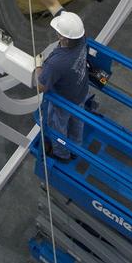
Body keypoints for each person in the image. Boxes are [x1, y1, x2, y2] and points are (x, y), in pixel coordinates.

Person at [34, 10, 99, 162]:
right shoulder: (81, 38)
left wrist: (38, 66)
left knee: (57, 127)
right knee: (77, 120)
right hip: (81, 91)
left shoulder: (56, 63)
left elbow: (41, 87)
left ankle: (61, 154)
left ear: (63, 36)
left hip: (63, 102)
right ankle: (76, 147)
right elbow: (55, 6)